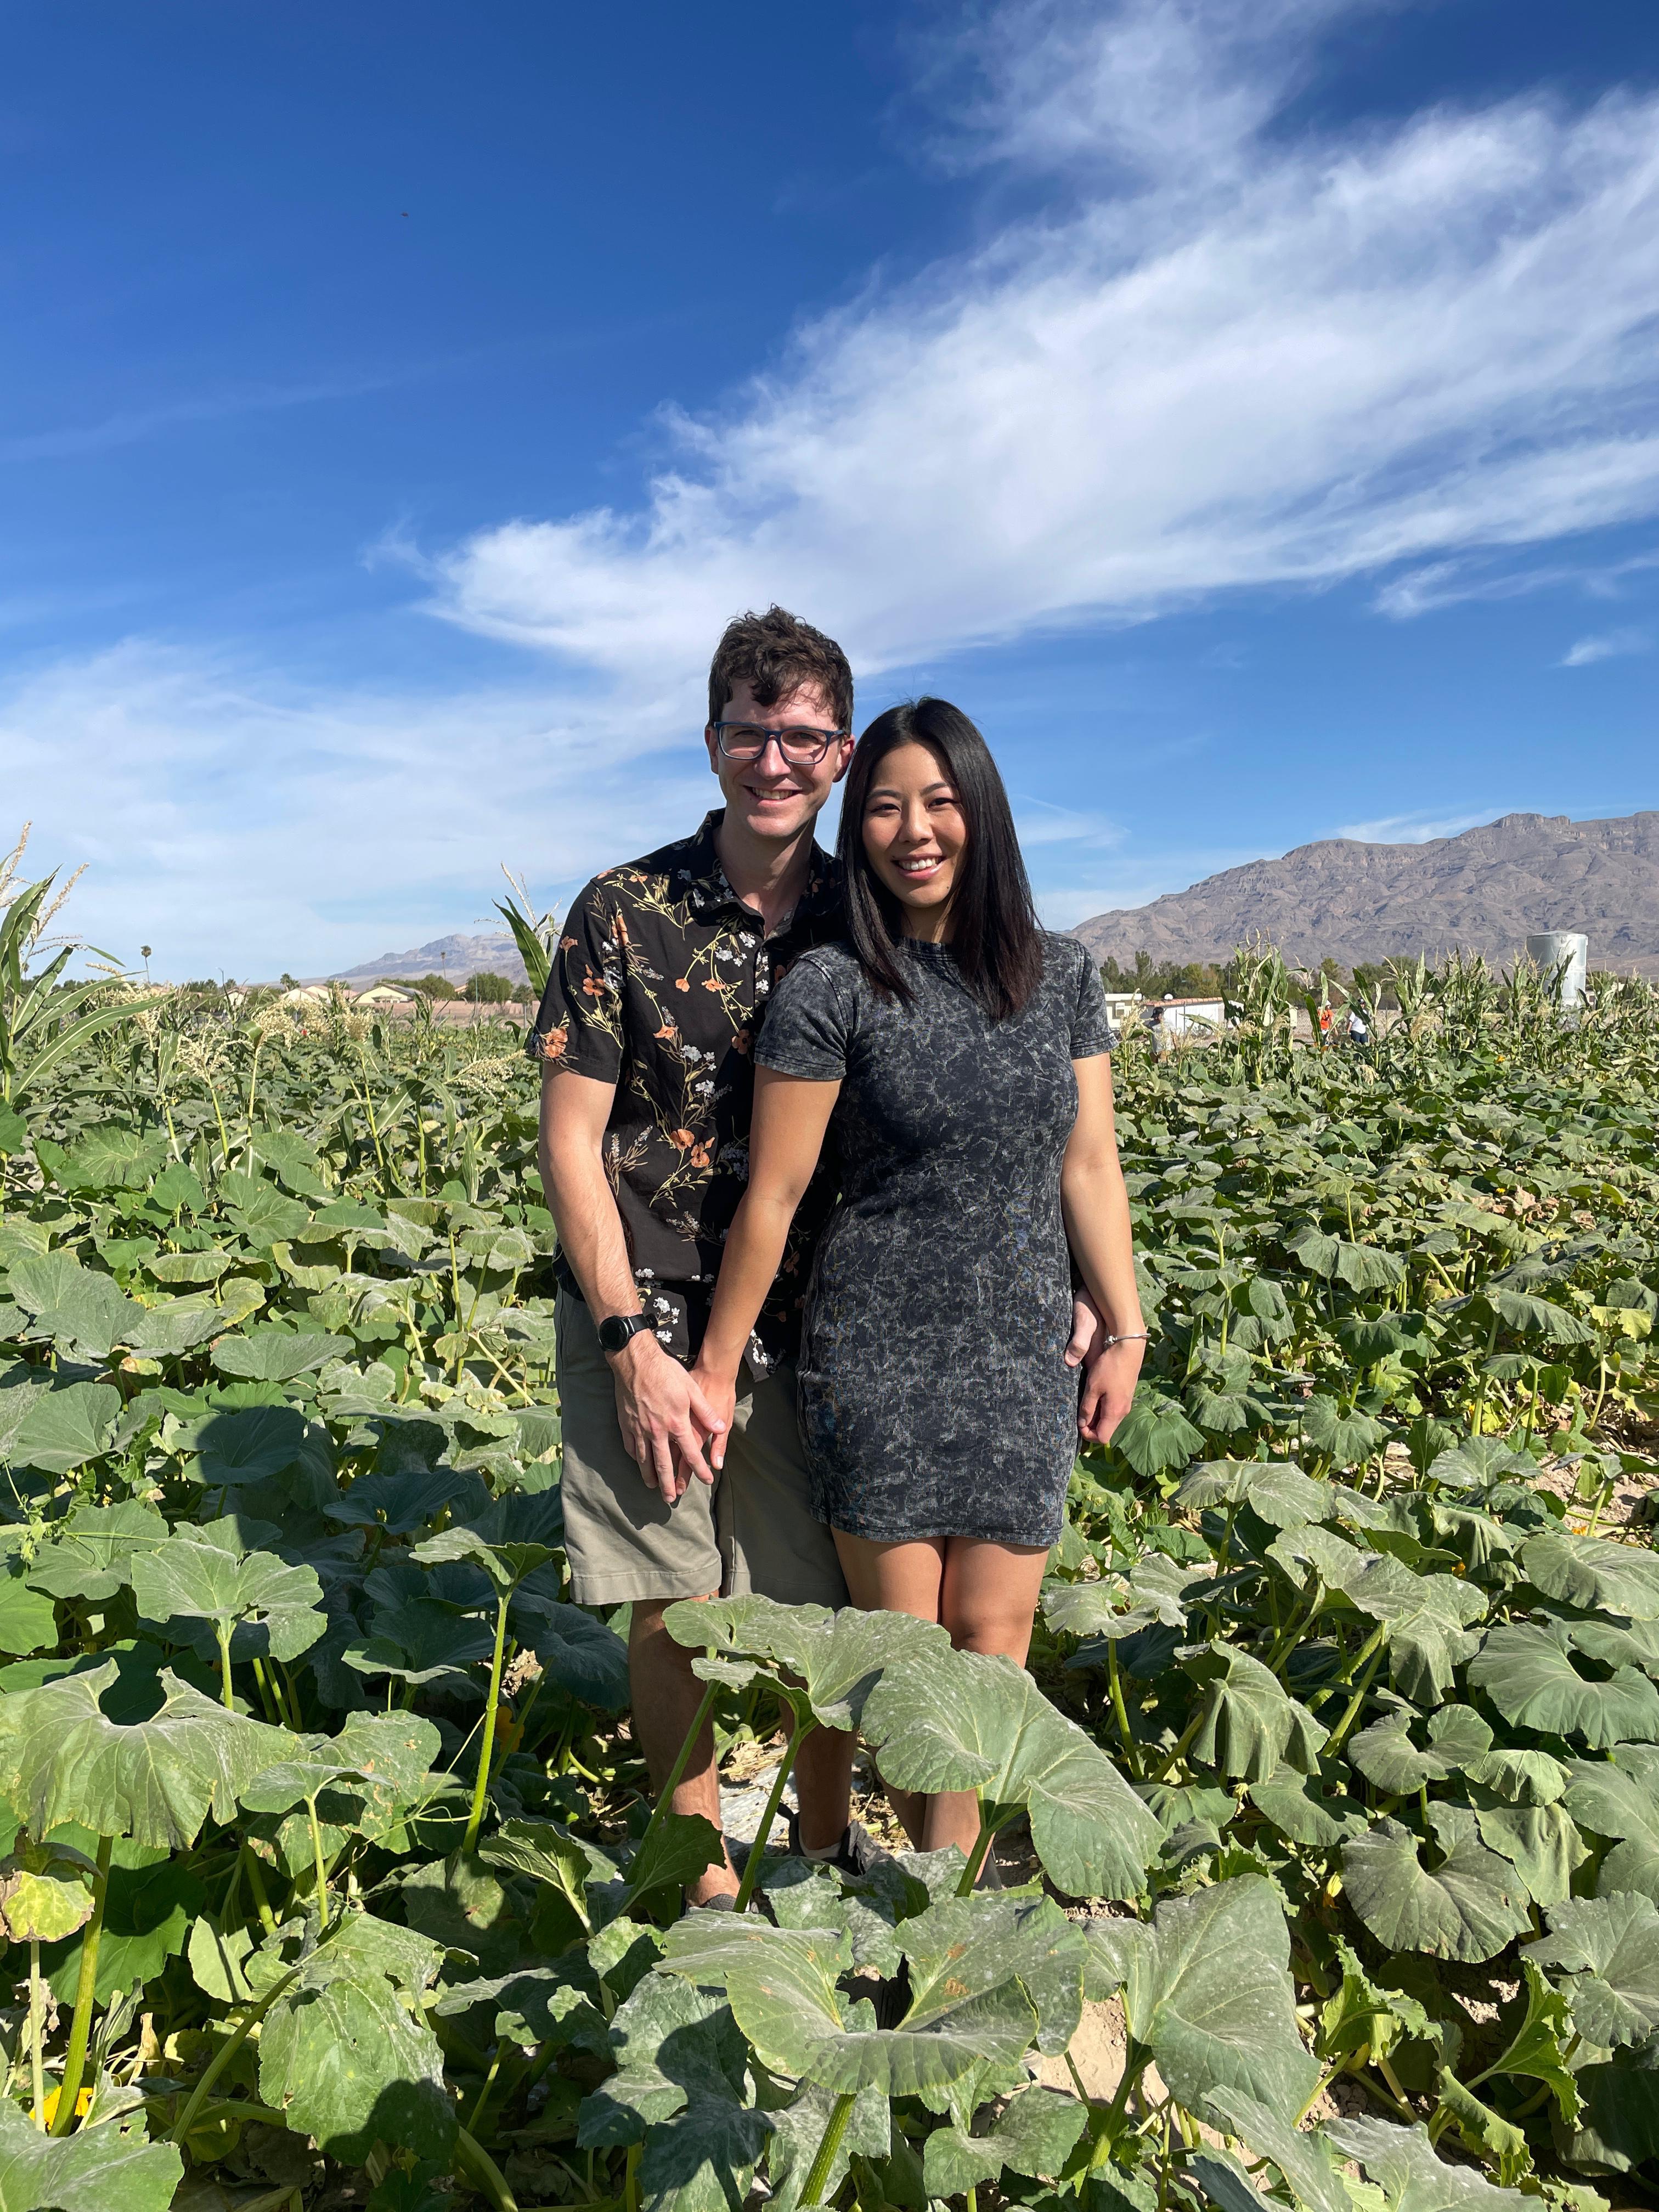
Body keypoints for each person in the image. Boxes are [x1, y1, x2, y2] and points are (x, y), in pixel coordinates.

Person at [690, 697, 1145, 1874]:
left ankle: (943, 1911)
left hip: (1020, 1359)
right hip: (878, 1360)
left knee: (993, 1643)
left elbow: (1088, 1163)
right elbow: (776, 1200)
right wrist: (716, 1361)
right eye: (884, 806)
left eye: (939, 802)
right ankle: (860, 1879)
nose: (913, 830)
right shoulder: (835, 987)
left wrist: (1126, 1325)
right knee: (900, 1658)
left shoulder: (1066, 978)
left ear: (981, 815)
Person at [531, 606, 867, 1903]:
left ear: (838, 753)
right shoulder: (624, 910)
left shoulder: (874, 920)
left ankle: (820, 1842)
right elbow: (573, 1142)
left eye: (803, 736)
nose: (773, 759)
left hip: (822, 1313)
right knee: (668, 1601)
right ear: (711, 738)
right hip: (647, 1298)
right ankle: (696, 1864)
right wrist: (624, 1340)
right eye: (749, 730)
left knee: (815, 1609)